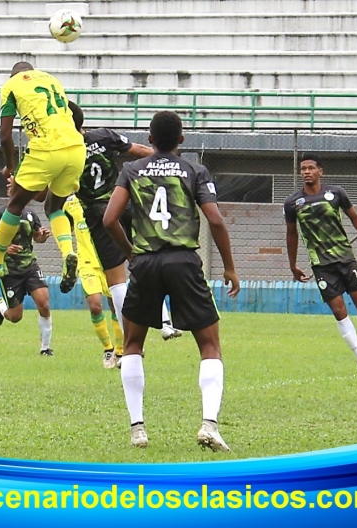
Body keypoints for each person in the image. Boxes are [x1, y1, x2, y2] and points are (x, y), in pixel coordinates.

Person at [103, 111, 240, 451]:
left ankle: (138, 429)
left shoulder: (131, 170)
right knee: (209, 344)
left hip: (146, 263)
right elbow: (216, 221)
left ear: (149, 139)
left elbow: (109, 219)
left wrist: (131, 252)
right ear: (182, 139)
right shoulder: (195, 170)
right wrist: (229, 267)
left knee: (133, 344)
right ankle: (209, 424)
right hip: (183, 262)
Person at [68, 101, 183, 343]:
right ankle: (165, 322)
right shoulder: (103, 136)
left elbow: (43, 194)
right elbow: (136, 149)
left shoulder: (63, 151)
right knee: (148, 258)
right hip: (124, 201)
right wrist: (166, 157)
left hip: (99, 215)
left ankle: (130, 340)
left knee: (117, 280)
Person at [0, 61, 86, 298]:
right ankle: (68, 251)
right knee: (54, 206)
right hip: (77, 148)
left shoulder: (11, 86)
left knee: (15, 203)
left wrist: (10, 165)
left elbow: (5, 135)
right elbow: (75, 114)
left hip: (46, 148)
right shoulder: (52, 80)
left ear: (14, 75)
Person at [284, 154, 357, 378]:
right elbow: (291, 235)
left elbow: (355, 218)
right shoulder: (293, 203)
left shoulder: (336, 193)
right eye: (303, 169)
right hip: (321, 265)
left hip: (345, 257)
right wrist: (292, 265)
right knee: (339, 312)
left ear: (320, 171)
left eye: (311, 168)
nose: (306, 172)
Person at [0, 177, 55, 356]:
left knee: (44, 304)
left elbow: (37, 238)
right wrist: (4, 248)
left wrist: (42, 236)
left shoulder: (31, 215)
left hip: (30, 266)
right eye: (11, 188)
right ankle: (1, 305)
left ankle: (45, 349)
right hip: (9, 270)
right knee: (15, 317)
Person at [63, 194, 124, 368]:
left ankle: (120, 351)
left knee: (115, 305)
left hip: (108, 261)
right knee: (95, 305)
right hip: (87, 263)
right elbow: (63, 226)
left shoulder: (107, 199)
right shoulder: (70, 204)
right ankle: (107, 349)